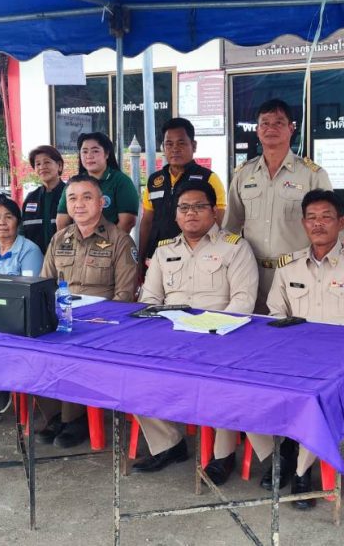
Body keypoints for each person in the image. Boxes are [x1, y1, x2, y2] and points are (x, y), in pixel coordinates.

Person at [251, 189, 344, 508]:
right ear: (304, 223)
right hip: (292, 353)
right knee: (247, 386)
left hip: (337, 358)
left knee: (314, 395)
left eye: (326, 217)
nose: (318, 224)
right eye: (312, 218)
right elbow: (275, 314)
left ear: (342, 222)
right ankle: (280, 453)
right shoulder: (289, 265)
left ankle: (302, 471)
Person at [131, 181, 258, 476]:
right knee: (132, 371)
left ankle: (223, 454)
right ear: (176, 215)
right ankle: (168, 443)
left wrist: (213, 330)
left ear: (214, 212)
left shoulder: (235, 248)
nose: (191, 213)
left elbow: (243, 301)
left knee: (224, 377)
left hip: (219, 337)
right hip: (170, 335)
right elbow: (149, 299)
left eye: (199, 206)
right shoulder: (164, 251)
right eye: (184, 208)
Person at [39, 175, 139, 447]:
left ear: (101, 202)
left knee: (74, 347)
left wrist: (97, 323)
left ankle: (76, 418)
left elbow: (124, 297)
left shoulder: (120, 241)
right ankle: (55, 415)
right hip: (61, 318)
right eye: (72, 198)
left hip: (100, 324)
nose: (79, 204)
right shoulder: (59, 238)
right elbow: (43, 286)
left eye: (87, 197)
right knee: (32, 345)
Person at [224, 98, 331, 313]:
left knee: (296, 328)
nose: (270, 128)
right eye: (265, 123)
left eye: (279, 123)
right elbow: (230, 228)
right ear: (257, 130)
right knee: (252, 329)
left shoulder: (312, 174)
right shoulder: (244, 174)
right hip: (251, 273)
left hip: (297, 272)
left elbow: (331, 226)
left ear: (291, 128)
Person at [0, 198, 44, 424]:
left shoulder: (29, 251)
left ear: (18, 222)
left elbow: (28, 291)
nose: (2, 222)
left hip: (20, 317)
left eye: (8, 217)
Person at [137, 118, 226, 264]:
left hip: (195, 258)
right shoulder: (154, 181)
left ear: (194, 146)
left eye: (181, 143)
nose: (175, 149)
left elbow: (219, 221)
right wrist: (140, 259)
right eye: (169, 144)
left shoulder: (209, 178)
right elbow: (147, 221)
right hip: (156, 258)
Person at [55, 132, 139, 234]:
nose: (89, 156)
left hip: (111, 241)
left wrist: (106, 242)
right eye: (84, 151)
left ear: (107, 154)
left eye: (95, 151)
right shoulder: (73, 183)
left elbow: (127, 222)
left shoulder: (121, 181)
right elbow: (62, 221)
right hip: (78, 241)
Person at [21, 145, 65, 251]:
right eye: (38, 164)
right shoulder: (31, 198)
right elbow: (22, 232)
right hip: (35, 257)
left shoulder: (70, 194)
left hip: (64, 257)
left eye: (47, 162)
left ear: (59, 165)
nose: (42, 167)